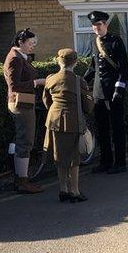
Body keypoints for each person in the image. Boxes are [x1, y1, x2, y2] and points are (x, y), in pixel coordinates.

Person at [43, 48, 94, 203]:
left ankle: (63, 189)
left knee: (59, 156)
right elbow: (88, 106)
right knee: (73, 158)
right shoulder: (79, 81)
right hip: (72, 121)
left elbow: (46, 102)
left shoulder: (50, 79)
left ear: (59, 61)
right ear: (76, 62)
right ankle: (75, 191)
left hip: (54, 121)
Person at [83, 11, 128, 174]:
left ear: (105, 25)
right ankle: (105, 161)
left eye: (99, 24)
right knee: (102, 128)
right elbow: (93, 67)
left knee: (117, 128)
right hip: (98, 92)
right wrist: (81, 82)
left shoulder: (116, 42)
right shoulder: (94, 42)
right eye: (94, 25)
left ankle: (120, 162)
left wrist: (119, 90)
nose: (97, 27)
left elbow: (124, 69)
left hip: (113, 92)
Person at [4, 28, 45, 194]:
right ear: (20, 42)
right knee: (25, 141)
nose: (32, 47)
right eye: (30, 43)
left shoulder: (20, 57)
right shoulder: (15, 59)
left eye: (34, 43)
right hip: (21, 104)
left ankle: (20, 177)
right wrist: (37, 83)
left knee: (21, 140)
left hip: (23, 103)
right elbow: (14, 86)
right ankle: (22, 181)